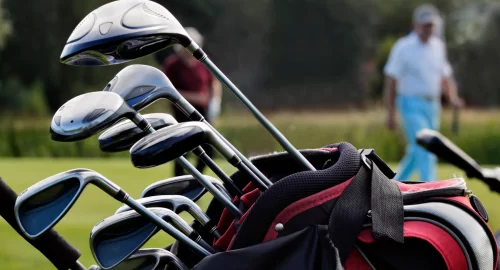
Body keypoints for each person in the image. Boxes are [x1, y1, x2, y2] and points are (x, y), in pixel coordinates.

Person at [383, 4, 463, 182]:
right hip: (409, 104)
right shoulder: (403, 47)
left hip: (433, 106)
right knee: (427, 148)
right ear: (416, 24)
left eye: (431, 25)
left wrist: (453, 98)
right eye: (425, 25)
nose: (429, 29)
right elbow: (391, 80)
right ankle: (432, 190)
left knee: (416, 152)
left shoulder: (438, 47)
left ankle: (391, 186)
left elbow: (444, 77)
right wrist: (390, 113)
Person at [162, 27, 223, 177]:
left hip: (202, 114)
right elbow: (169, 90)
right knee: (181, 153)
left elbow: (213, 82)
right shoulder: (172, 64)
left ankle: (196, 179)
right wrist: (196, 97)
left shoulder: (202, 61)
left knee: (209, 150)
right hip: (181, 114)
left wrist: (215, 101)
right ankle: (179, 186)